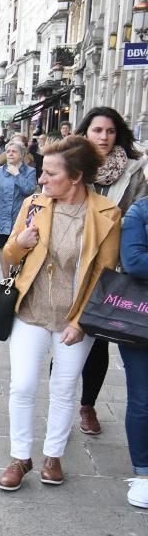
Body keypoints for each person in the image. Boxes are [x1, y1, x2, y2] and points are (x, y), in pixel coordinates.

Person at [0, 136, 120, 491]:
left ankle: (53, 455)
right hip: (30, 310)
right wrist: (19, 245)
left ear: (76, 176)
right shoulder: (34, 204)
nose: (42, 179)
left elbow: (105, 275)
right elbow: (8, 256)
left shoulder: (106, 214)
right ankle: (20, 457)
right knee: (22, 386)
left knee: (64, 388)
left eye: (50, 173)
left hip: (73, 319)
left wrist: (81, 322)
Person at [72, 107, 148, 435]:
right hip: (70, 263)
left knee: (99, 339)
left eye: (110, 131)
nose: (103, 137)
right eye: (97, 130)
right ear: (85, 133)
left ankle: (87, 404)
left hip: (108, 267)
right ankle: (62, 397)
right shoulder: (71, 164)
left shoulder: (133, 173)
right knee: (62, 338)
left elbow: (138, 217)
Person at [119, 195, 148, 508]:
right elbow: (134, 261)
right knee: (142, 397)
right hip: (141, 320)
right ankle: (143, 473)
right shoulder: (141, 210)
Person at [0, 141, 37, 276]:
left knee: (20, 248)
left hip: (20, 218)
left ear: (22, 155)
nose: (10, 154)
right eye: (8, 151)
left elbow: (29, 190)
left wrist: (17, 174)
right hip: (1, 218)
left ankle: (17, 278)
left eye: (14, 151)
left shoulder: (30, 172)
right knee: (3, 249)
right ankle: (6, 279)